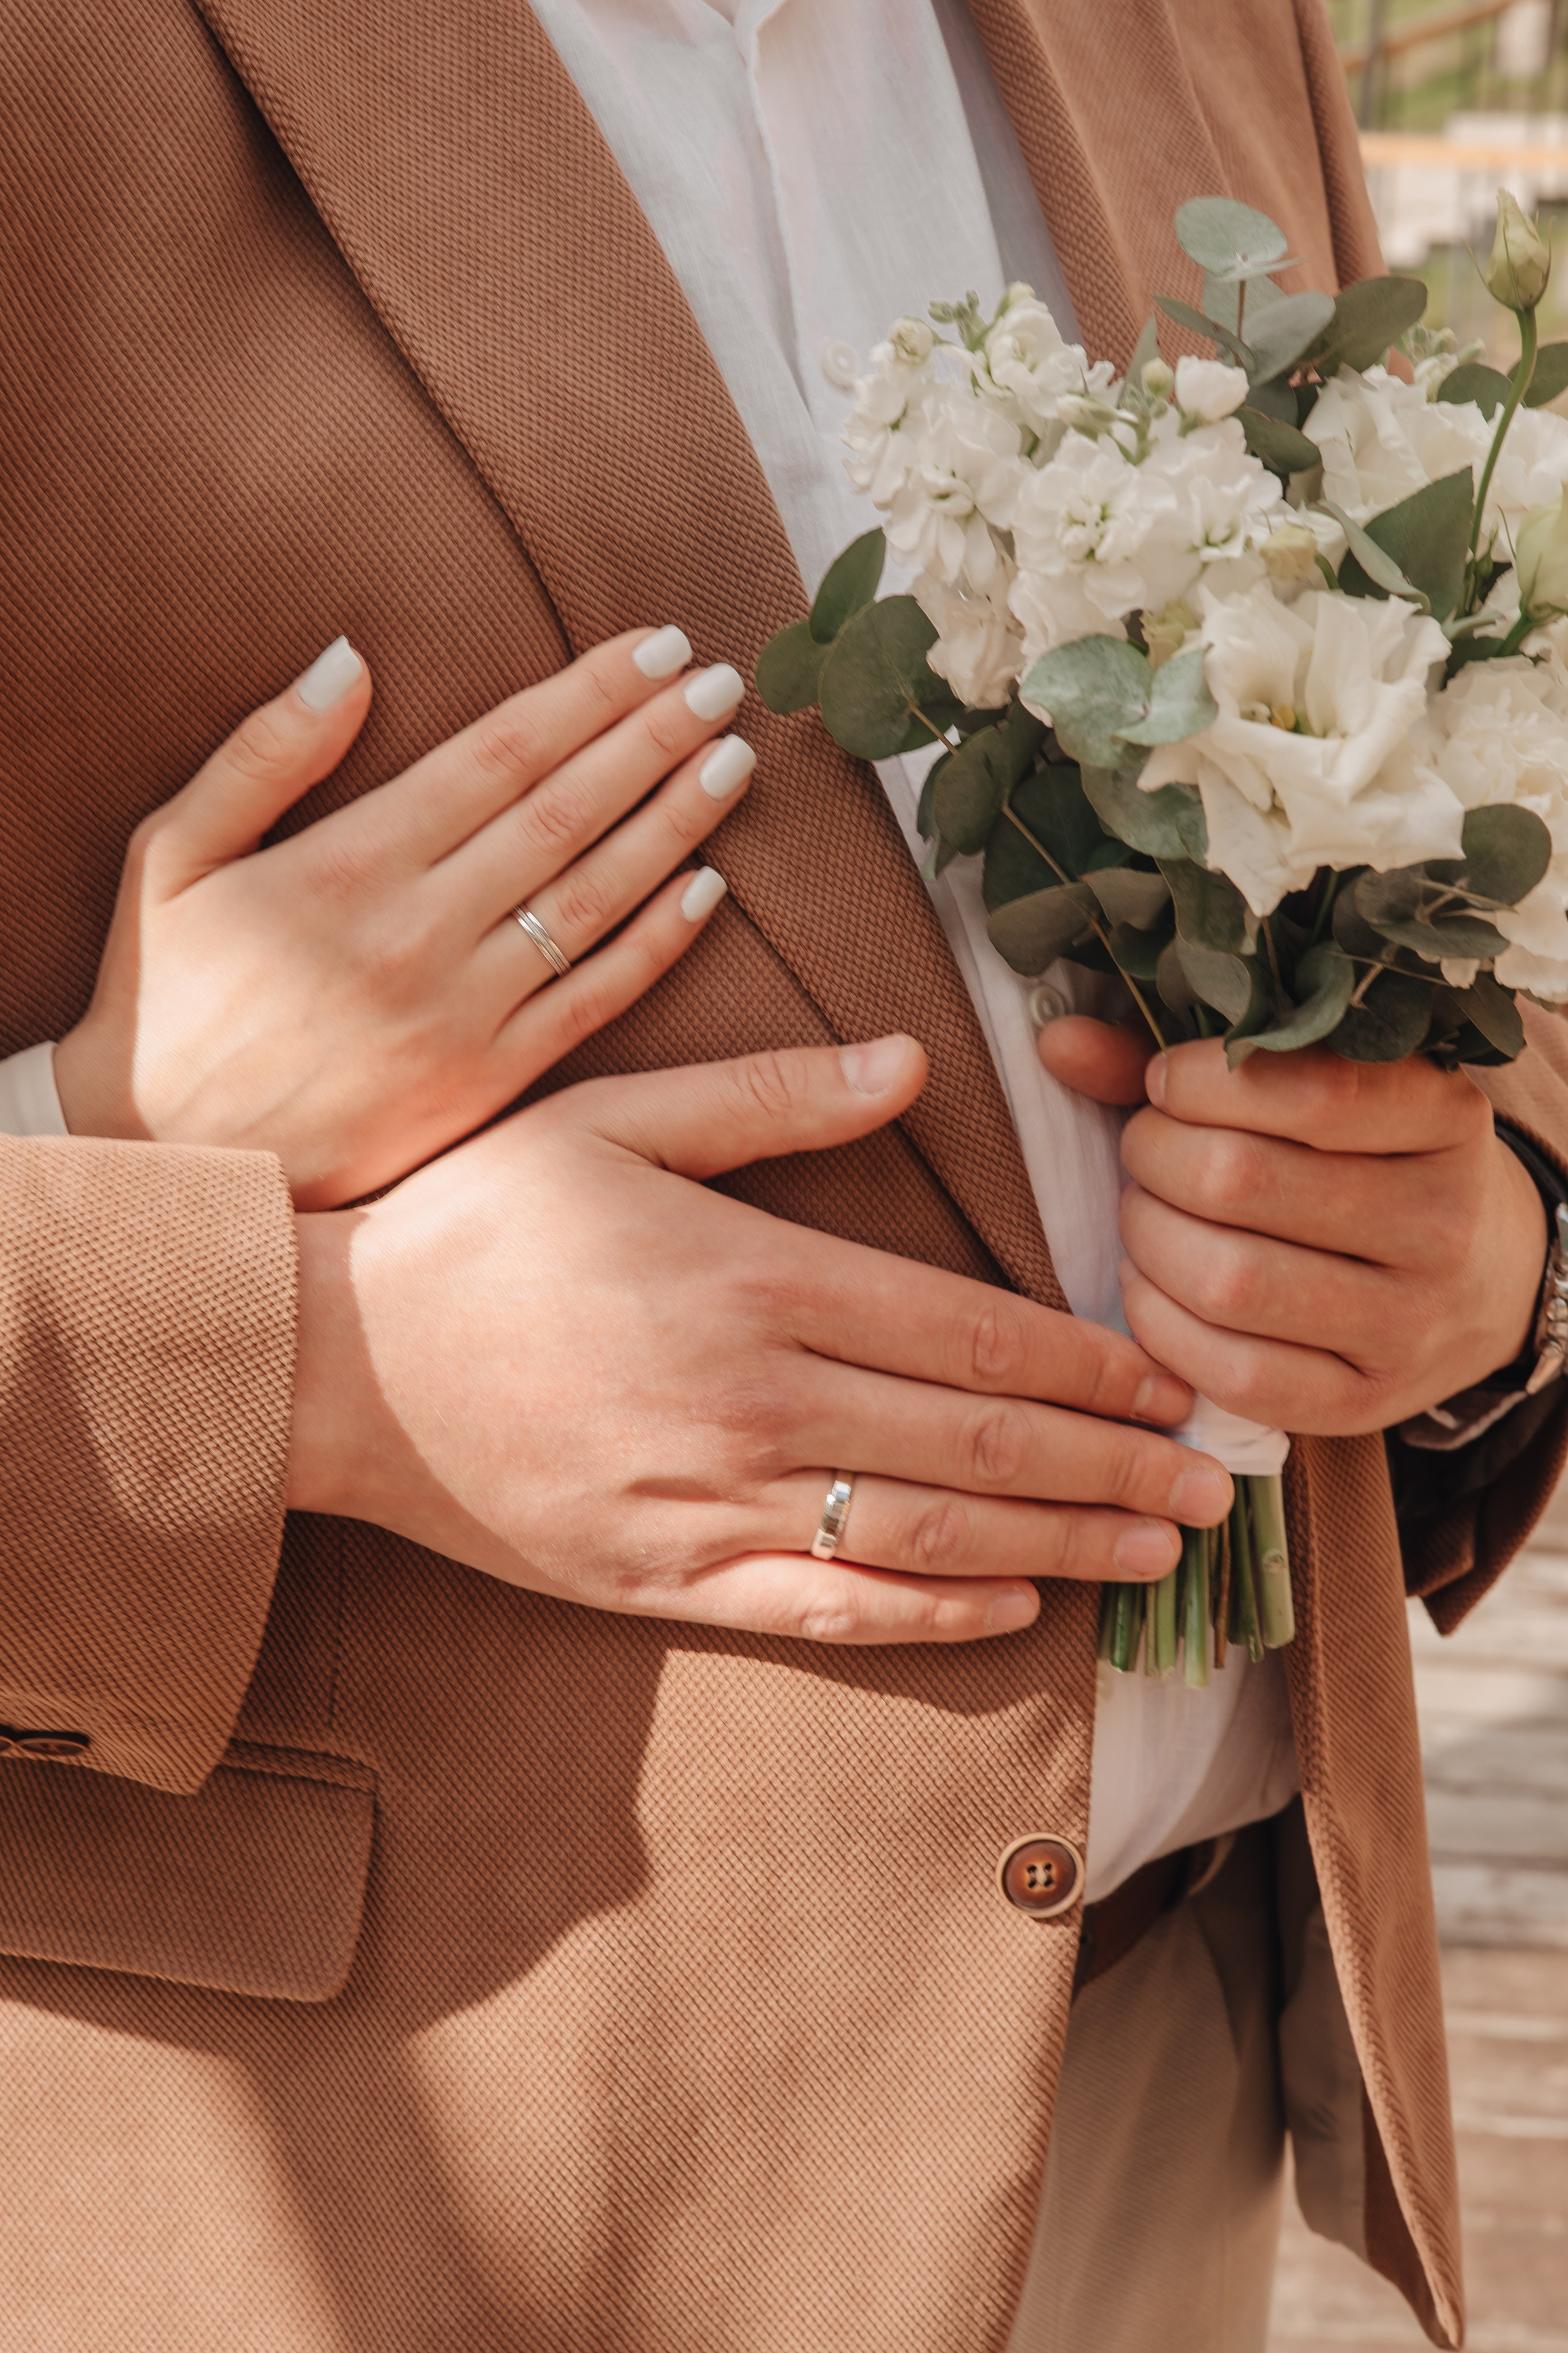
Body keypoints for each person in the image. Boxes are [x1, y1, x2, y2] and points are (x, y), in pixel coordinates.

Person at [1, 2, 1564, 2347]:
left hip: (1164, 2095)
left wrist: (1497, 1249)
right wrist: (288, 1342)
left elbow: (1423, 823)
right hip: (364, 2180)